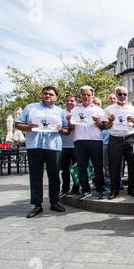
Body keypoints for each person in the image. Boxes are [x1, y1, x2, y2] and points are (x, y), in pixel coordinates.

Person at [15, 86, 68, 218]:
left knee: (54, 175)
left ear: (56, 97)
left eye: (51, 94)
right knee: (35, 176)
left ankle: (54, 202)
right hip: (34, 145)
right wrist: (28, 127)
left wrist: (62, 129)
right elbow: (17, 123)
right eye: (45, 93)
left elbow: (67, 130)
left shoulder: (60, 112)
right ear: (41, 95)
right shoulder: (31, 107)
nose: (48, 96)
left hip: (53, 146)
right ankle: (37, 205)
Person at [67, 86, 107, 201]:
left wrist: (97, 121)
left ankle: (100, 189)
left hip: (95, 141)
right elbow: (72, 127)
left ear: (92, 96)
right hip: (79, 141)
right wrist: (69, 121)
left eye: (89, 95)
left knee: (98, 166)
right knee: (81, 167)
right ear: (81, 95)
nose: (86, 97)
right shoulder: (75, 110)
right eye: (84, 94)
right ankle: (85, 190)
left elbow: (103, 127)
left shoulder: (98, 109)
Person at [104, 86, 134, 199]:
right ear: (116, 95)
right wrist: (110, 121)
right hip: (115, 139)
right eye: (120, 94)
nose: (122, 96)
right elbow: (106, 126)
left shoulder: (133, 109)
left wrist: (133, 121)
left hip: (130, 138)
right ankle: (114, 190)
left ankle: (132, 188)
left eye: (125, 94)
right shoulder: (109, 109)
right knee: (114, 166)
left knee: (132, 165)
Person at [59, 94, 79, 196]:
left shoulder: (79, 112)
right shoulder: (61, 113)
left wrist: (68, 126)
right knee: (65, 169)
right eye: (67, 101)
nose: (69, 102)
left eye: (72, 101)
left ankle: (76, 187)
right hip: (64, 145)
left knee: (77, 168)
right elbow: (59, 128)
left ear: (76, 102)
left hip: (77, 145)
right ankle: (65, 188)